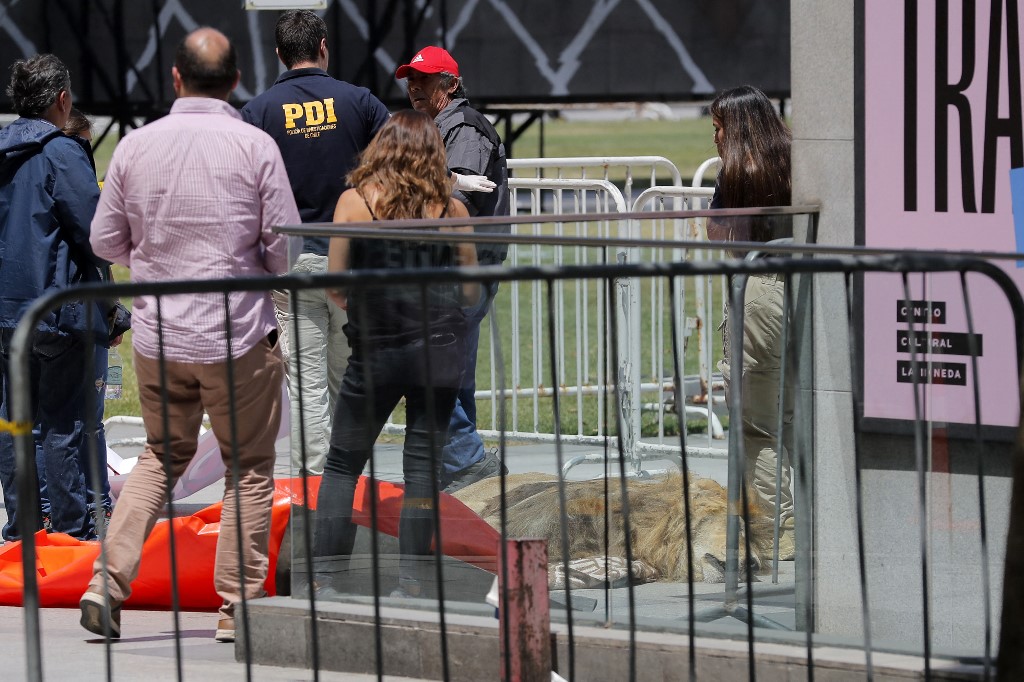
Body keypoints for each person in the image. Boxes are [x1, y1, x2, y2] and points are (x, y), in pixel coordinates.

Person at [81, 27, 298, 642]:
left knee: (159, 456)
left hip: (159, 338)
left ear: (174, 79)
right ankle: (237, 607)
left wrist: (150, 258)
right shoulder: (255, 146)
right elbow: (282, 246)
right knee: (249, 467)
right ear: (235, 83)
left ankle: (106, 582)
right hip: (238, 337)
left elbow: (104, 239)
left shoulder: (134, 146)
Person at [313, 109, 478, 599]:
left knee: (343, 463)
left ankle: (326, 577)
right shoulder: (453, 210)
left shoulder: (355, 203)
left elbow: (336, 285)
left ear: (381, 147)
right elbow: (470, 292)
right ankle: (411, 581)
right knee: (423, 470)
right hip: (438, 352)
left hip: (377, 348)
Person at [241, 9, 390, 478]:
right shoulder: (360, 101)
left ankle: (314, 494)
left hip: (291, 260)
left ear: (280, 55)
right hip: (355, 258)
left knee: (307, 386)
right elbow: (399, 164)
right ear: (324, 46)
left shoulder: (259, 112)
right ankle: (350, 483)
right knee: (351, 380)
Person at [0, 54, 108, 542]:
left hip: (6, 311)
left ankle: (24, 525)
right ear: (63, 101)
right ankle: (68, 531)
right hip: (57, 309)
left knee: (14, 422)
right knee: (64, 422)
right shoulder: (62, 152)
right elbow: (96, 233)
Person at [395, 46, 510, 493]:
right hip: (457, 267)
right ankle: (464, 468)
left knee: (433, 366)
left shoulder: (461, 127)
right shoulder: (441, 126)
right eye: (411, 78)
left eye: (425, 79)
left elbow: (456, 209)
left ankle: (465, 460)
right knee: (453, 369)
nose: (414, 86)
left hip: (459, 267)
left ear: (451, 84)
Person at [706, 84, 795, 560]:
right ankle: (794, 524)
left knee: (757, 427)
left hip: (757, 292)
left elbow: (722, 238)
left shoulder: (738, 171)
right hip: (801, 289)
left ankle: (774, 536)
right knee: (792, 415)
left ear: (736, 127)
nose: (714, 139)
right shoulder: (792, 157)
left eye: (718, 128)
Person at [58, 108, 118, 533]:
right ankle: (94, 506)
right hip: (80, 315)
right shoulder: (75, 183)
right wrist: (113, 315)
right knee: (84, 421)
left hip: (40, 316)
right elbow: (98, 250)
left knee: (44, 424)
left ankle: (54, 511)